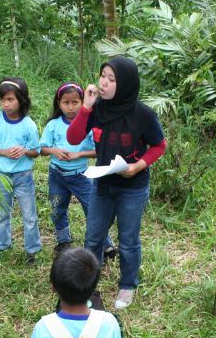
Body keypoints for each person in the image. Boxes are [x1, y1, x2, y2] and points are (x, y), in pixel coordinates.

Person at [67, 56, 167, 309]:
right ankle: (87, 286)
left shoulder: (143, 114)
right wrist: (86, 107)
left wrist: (138, 166)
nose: (104, 82)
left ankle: (128, 284)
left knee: (129, 239)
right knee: (93, 238)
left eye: (112, 79)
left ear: (125, 84)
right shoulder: (97, 108)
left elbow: (159, 145)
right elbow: (73, 137)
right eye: (103, 76)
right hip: (102, 184)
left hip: (132, 188)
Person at [40, 82, 114, 257]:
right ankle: (63, 240)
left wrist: (79, 155)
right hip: (57, 174)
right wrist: (54, 151)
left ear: (83, 102)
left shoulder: (89, 124)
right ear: (59, 103)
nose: (71, 107)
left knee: (93, 209)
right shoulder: (53, 125)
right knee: (57, 208)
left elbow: (98, 151)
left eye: (75, 102)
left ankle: (104, 242)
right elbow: (41, 149)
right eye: (66, 103)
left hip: (82, 175)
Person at [0, 77, 42, 264]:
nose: (5, 104)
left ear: (21, 100)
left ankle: (32, 251)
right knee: (1, 213)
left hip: (23, 176)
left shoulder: (28, 125)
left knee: (29, 216)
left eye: (10, 99)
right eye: (2, 99)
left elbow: (36, 152)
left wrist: (24, 150)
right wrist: (5, 152)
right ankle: (2, 246)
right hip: (1, 175)